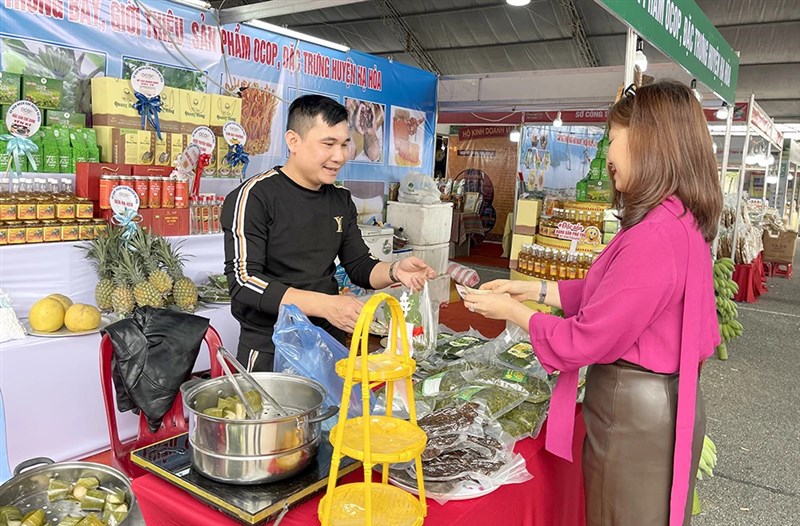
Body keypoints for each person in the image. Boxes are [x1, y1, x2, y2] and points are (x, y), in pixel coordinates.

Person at [464, 81, 721, 526]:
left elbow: (586, 339)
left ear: (649, 143)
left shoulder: (654, 237)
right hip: (660, 403)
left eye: (613, 141)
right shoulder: (677, 219)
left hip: (634, 413)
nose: (607, 158)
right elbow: (619, 292)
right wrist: (536, 291)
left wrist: (514, 314)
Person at [222, 95, 435, 372]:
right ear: (293, 141)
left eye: (345, 144)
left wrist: (396, 271)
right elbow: (244, 282)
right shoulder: (254, 197)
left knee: (333, 414)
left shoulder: (340, 199)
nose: (340, 156)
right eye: (328, 144)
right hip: (270, 347)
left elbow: (360, 266)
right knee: (274, 415)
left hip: (327, 341)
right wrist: (326, 305)